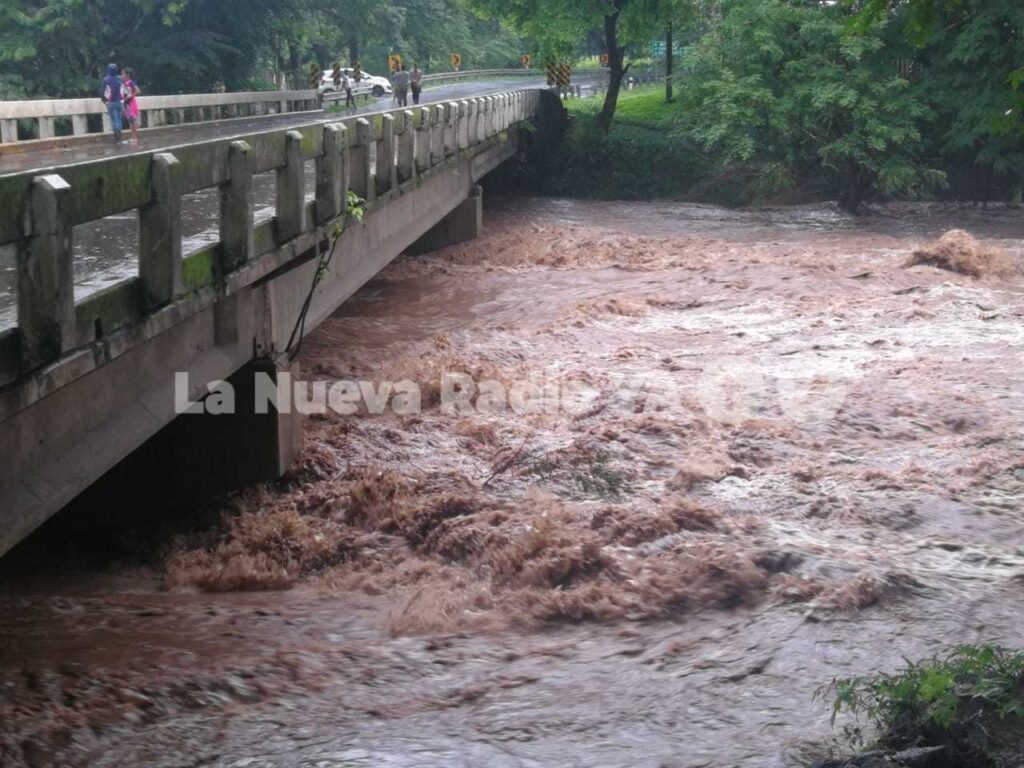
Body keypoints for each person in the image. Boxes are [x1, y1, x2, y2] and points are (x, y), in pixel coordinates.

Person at [99, 63, 125, 144]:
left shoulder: (106, 79)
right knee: (119, 120)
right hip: (120, 102)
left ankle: (116, 138)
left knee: (114, 120)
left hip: (110, 102)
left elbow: (101, 92)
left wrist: (104, 101)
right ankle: (119, 137)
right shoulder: (120, 79)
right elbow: (126, 91)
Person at [121, 68, 141, 146]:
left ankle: (134, 138)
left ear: (127, 75)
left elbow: (137, 91)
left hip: (131, 103)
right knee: (131, 121)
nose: (121, 76)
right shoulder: (125, 83)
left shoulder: (130, 83)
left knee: (132, 121)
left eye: (122, 74)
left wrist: (130, 97)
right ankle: (133, 137)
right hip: (127, 103)